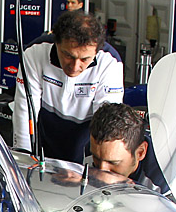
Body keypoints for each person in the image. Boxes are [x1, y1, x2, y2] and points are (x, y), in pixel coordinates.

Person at [12, 11, 124, 163]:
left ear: (96, 52)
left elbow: (106, 124)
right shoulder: (35, 52)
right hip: (45, 135)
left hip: (86, 140)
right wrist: (23, 158)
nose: (75, 66)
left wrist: (95, 168)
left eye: (85, 59)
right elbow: (24, 110)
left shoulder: (110, 62)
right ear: (56, 43)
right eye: (68, 55)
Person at [88, 102, 170, 195]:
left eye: (113, 163)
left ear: (140, 152)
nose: (102, 171)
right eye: (96, 158)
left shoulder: (163, 183)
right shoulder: (95, 154)